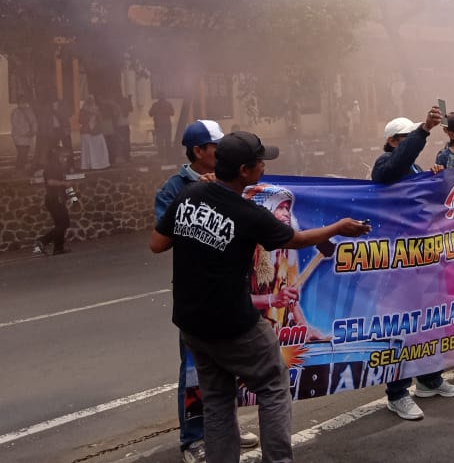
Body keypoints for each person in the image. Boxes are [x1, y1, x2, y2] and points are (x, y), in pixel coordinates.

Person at [150, 131, 370, 463]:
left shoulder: (189, 195)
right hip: (234, 325)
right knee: (272, 383)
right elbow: (295, 239)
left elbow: (157, 243)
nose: (264, 169)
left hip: (191, 323)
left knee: (219, 399)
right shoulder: (247, 214)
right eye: (260, 163)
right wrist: (337, 227)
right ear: (244, 171)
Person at [153, 119, 259, 460]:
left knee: (228, 368)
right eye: (216, 147)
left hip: (232, 292)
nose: (221, 151)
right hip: (196, 296)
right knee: (195, 372)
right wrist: (197, 195)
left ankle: (224, 429)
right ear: (198, 151)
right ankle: (193, 439)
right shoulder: (175, 187)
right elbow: (161, 238)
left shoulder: (232, 180)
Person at [371, 105, 454, 421]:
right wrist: (424, 130)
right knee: (403, 328)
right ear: (395, 141)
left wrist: (430, 177)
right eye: (409, 137)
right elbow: (393, 171)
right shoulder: (385, 165)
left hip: (425, 258)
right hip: (400, 263)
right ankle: (397, 394)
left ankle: (429, 379)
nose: (414, 141)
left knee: (431, 321)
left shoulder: (410, 167)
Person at [244, 183, 331, 342]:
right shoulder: (245, 247)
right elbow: (231, 299)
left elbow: (288, 297)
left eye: (287, 209)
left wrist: (304, 329)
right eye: (280, 208)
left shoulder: (285, 251)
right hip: (248, 334)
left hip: (277, 335)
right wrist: (272, 299)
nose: (286, 214)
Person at [34, 146, 75, 256]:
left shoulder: (58, 167)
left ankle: (58, 248)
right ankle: (43, 241)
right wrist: (64, 184)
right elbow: (50, 182)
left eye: (66, 157)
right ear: (57, 156)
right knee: (64, 223)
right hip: (53, 199)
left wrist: (71, 196)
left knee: (60, 224)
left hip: (57, 199)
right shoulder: (51, 167)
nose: (65, 159)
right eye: (63, 156)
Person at [78, 95, 110, 170]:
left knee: (98, 149)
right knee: (87, 150)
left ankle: (100, 164)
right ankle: (88, 165)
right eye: (89, 100)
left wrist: (96, 115)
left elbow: (100, 120)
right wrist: (89, 115)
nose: (90, 102)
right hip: (86, 132)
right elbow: (80, 120)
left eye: (91, 100)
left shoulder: (97, 110)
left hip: (96, 132)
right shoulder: (83, 110)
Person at [11, 100, 37, 173]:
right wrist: (25, 133)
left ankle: (21, 168)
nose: (22, 104)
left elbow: (34, 121)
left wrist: (33, 131)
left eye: (24, 102)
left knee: (25, 153)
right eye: (21, 102)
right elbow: (16, 125)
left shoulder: (30, 111)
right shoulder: (15, 112)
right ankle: (19, 168)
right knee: (21, 153)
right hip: (19, 136)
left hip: (28, 136)